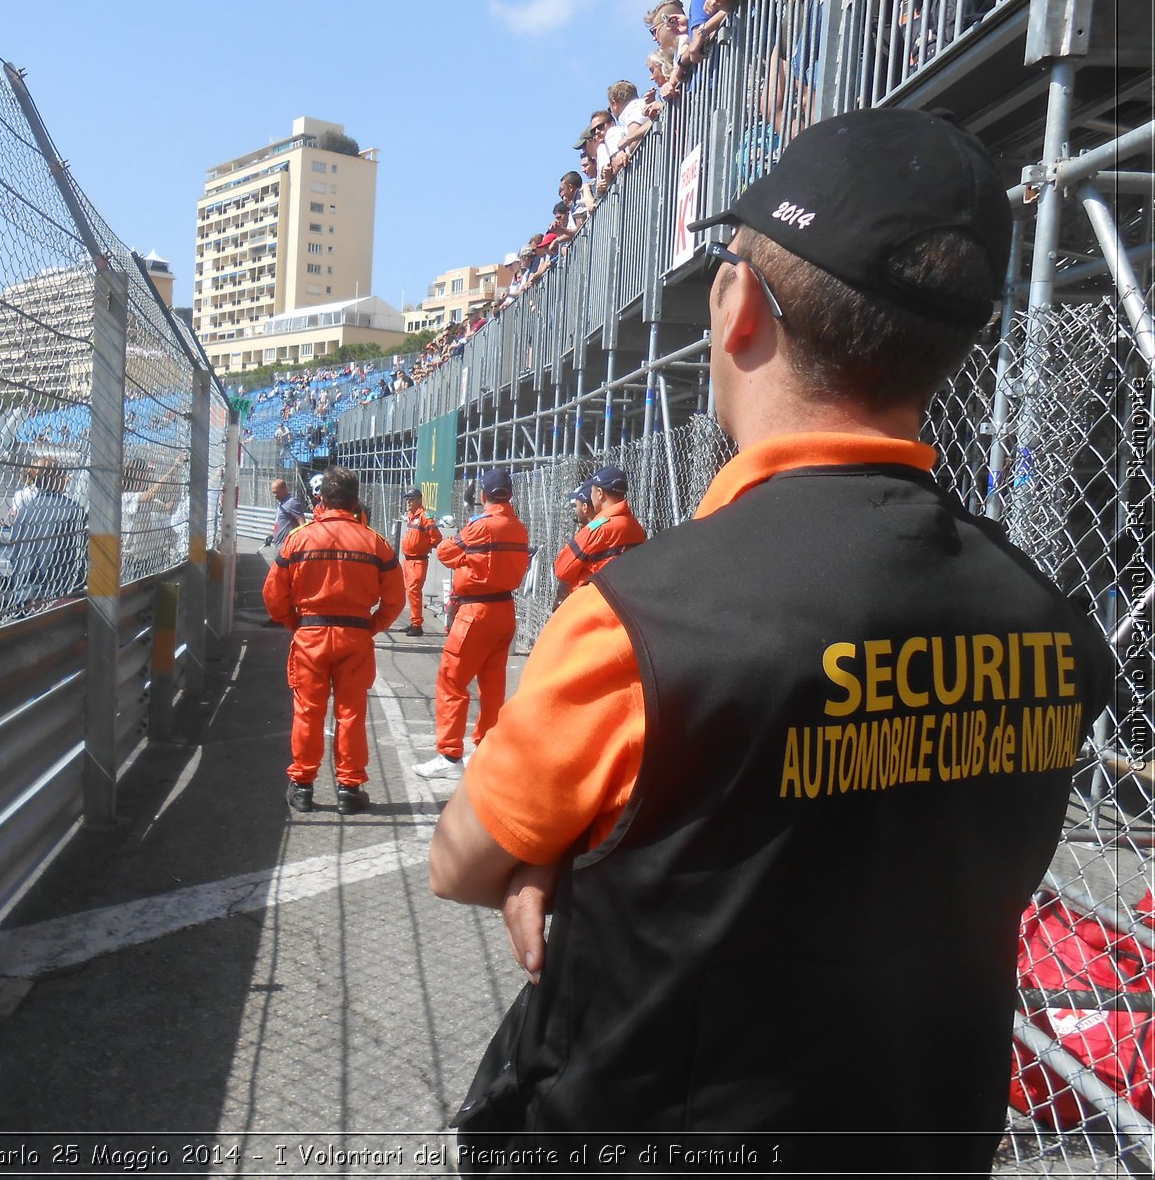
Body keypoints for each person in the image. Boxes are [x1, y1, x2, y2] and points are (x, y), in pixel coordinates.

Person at [429, 108, 1115, 1173]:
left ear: (737, 305)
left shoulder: (643, 616)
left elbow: (463, 859)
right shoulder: (1051, 622)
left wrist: (558, 873)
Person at [263, 466, 404, 815]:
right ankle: (349, 789)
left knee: (308, 712)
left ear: (321, 499)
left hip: (310, 633)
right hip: (355, 635)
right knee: (351, 714)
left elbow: (274, 594)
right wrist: (372, 625)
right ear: (356, 501)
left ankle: (302, 788)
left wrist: (293, 621)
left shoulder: (299, 538)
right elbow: (396, 598)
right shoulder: (375, 541)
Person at [414, 468, 530, 781]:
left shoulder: (481, 525)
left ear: (484, 494)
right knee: (492, 684)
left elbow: (446, 552)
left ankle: (450, 756)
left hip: (476, 611)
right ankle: (486, 750)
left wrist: (467, 557)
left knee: (452, 680)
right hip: (504, 608)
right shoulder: (519, 526)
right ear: (510, 494)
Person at [551, 465, 646, 593]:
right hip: (626, 600)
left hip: (593, 602)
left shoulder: (597, 529)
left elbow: (562, 569)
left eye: (592, 491)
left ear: (600, 493)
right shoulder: (636, 526)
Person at [9, 463, 88, 606]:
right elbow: (82, 553)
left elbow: (16, 552)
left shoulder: (25, 511)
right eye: (64, 476)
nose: (67, 480)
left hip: (28, 593)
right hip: (64, 591)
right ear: (55, 478)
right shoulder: (73, 510)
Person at [399, 486, 442, 637]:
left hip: (418, 561)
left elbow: (436, 537)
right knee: (410, 592)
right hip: (409, 561)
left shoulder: (424, 516)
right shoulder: (412, 515)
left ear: (419, 500)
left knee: (414, 591)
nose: (409, 502)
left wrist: (426, 547)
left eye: (411, 499)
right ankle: (414, 622)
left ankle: (417, 625)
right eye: (407, 499)